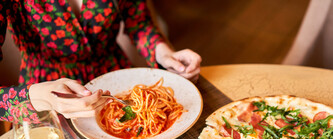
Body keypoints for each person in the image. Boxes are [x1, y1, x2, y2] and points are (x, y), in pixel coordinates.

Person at [0, 0, 201, 121]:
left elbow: (138, 21)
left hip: (117, 83)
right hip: (43, 95)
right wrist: (41, 97)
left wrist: (163, 53)